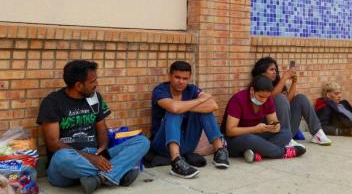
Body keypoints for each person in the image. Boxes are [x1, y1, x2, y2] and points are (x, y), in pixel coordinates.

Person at [37, 60, 149, 194]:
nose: (96, 84)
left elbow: (102, 129)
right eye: (92, 82)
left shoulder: (94, 98)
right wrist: (91, 158)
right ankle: (119, 173)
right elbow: (53, 144)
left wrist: (102, 148)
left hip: (96, 155)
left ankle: (98, 179)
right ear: (78, 85)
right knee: (62, 158)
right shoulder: (52, 102)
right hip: (69, 163)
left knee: (142, 142)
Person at [150, 61, 229, 179]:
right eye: (177, 77)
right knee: (174, 112)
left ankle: (220, 150)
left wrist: (189, 105)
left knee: (205, 111)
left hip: (187, 144)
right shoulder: (160, 90)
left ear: (189, 78)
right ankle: (176, 161)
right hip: (162, 143)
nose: (181, 81)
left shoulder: (191, 89)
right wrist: (199, 101)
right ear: (170, 76)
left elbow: (213, 105)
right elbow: (175, 108)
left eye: (185, 78)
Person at [222, 76, 305, 163]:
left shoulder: (267, 99)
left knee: (286, 133)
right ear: (252, 91)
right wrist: (255, 129)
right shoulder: (238, 100)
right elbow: (230, 131)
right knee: (250, 139)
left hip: (256, 135)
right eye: (261, 96)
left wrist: (275, 126)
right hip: (234, 141)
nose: (264, 100)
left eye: (266, 97)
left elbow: (274, 121)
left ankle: (257, 154)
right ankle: (282, 152)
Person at [251, 57, 331, 147]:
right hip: (270, 132)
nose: (275, 72)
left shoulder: (277, 84)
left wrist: (294, 82)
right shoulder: (257, 85)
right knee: (280, 98)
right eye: (271, 69)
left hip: (286, 129)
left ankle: (317, 133)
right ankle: (285, 140)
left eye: (275, 70)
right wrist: (284, 78)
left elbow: (286, 101)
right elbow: (270, 97)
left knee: (301, 98)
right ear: (262, 72)